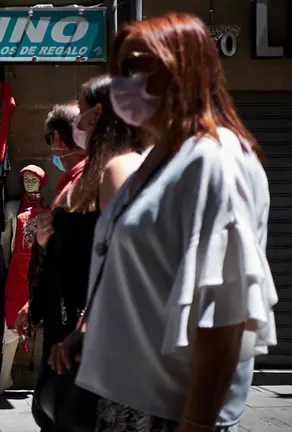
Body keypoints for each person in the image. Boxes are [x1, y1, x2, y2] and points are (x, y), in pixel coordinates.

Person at [58, 13, 277, 432]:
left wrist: (196, 422)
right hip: (124, 402)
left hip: (168, 412)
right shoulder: (157, 159)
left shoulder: (215, 160)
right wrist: (90, 332)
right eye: (119, 69)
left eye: (137, 67)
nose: (122, 83)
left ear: (181, 71)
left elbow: (226, 314)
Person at [18, 76, 143, 431]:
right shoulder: (90, 175)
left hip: (99, 346)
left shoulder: (116, 170)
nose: (81, 126)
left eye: (86, 114)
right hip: (75, 334)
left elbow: (122, 261)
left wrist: (85, 328)